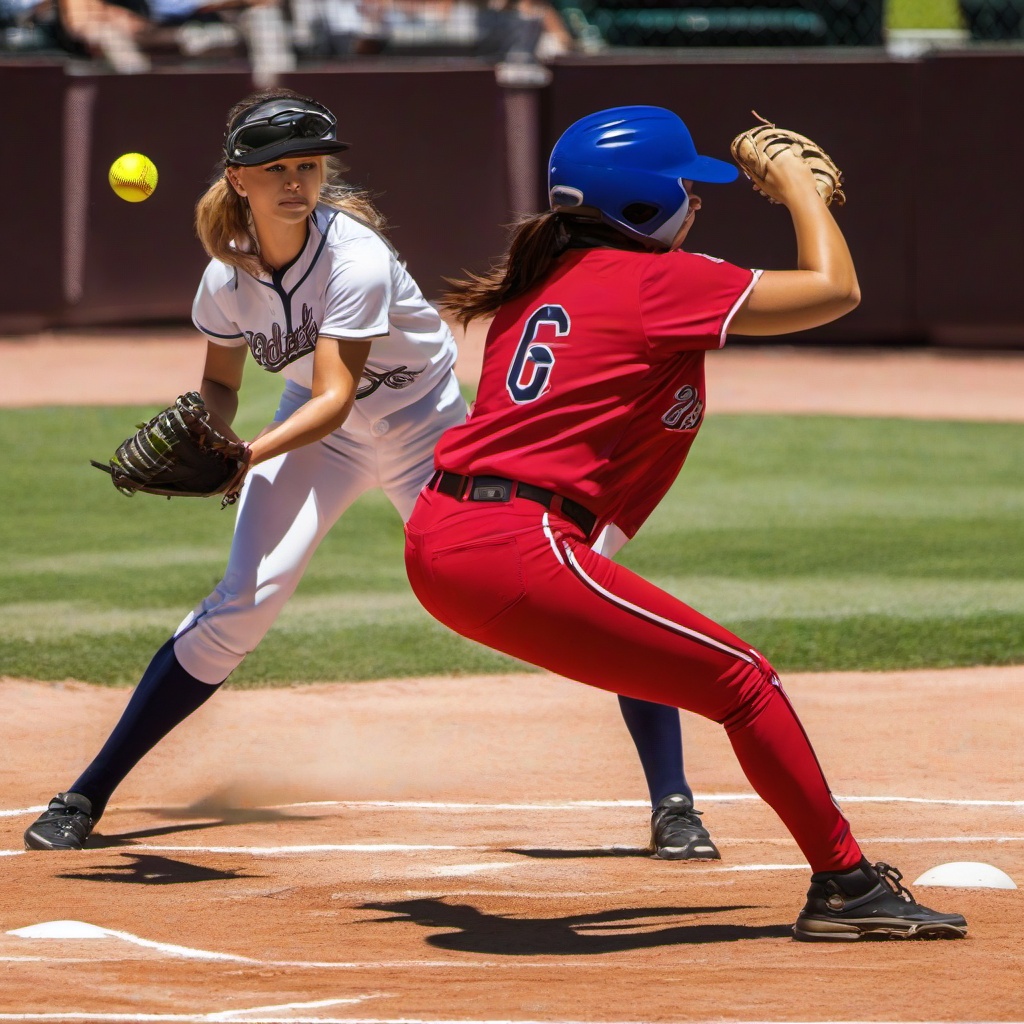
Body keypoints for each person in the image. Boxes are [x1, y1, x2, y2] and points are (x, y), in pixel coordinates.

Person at [23, 89, 712, 862]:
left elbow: (335, 393)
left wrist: (247, 455)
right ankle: (85, 794)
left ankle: (675, 804)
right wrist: (218, 428)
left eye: (309, 166)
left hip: (429, 431)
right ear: (237, 178)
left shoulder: (356, 257)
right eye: (276, 168)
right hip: (322, 436)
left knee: (578, 587)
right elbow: (222, 383)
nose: (296, 182)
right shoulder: (226, 279)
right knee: (241, 603)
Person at [403, 104, 969, 941]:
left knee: (681, 653)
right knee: (747, 681)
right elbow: (835, 290)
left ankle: (801, 862)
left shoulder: (545, 281)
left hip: (447, 532)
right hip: (510, 547)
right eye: (683, 188)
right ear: (636, 206)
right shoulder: (654, 281)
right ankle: (847, 888)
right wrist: (801, 194)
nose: (696, 200)